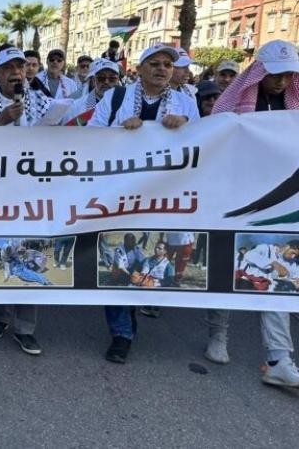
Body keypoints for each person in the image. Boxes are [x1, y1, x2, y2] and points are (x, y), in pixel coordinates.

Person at [86, 44, 199, 364]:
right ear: (140, 68)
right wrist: (120, 130)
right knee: (121, 261)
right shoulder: (116, 98)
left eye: (167, 64)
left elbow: (203, 144)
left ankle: (133, 313)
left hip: (164, 196)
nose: (162, 69)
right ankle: (121, 333)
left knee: (147, 259)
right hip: (120, 195)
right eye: (155, 63)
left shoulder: (185, 103)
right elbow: (89, 137)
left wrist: (185, 127)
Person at [208, 39, 299, 386]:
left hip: (278, 202)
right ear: (259, 72)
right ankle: (218, 334)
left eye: (288, 75)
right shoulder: (234, 107)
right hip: (232, 196)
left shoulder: (293, 108)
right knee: (225, 269)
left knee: (277, 274)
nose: (281, 82)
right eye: (275, 75)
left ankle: (279, 357)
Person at [0, 47, 67, 356]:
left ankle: (26, 328)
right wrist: (1, 122)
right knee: (2, 253)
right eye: (8, 68)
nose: (15, 72)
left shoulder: (43, 102)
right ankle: (0, 316)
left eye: (20, 67)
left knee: (29, 255)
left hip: (32, 193)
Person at [61, 59, 121, 125]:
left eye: (112, 78)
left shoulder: (127, 105)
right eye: (101, 78)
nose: (106, 82)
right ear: (94, 80)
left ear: (118, 80)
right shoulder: (76, 107)